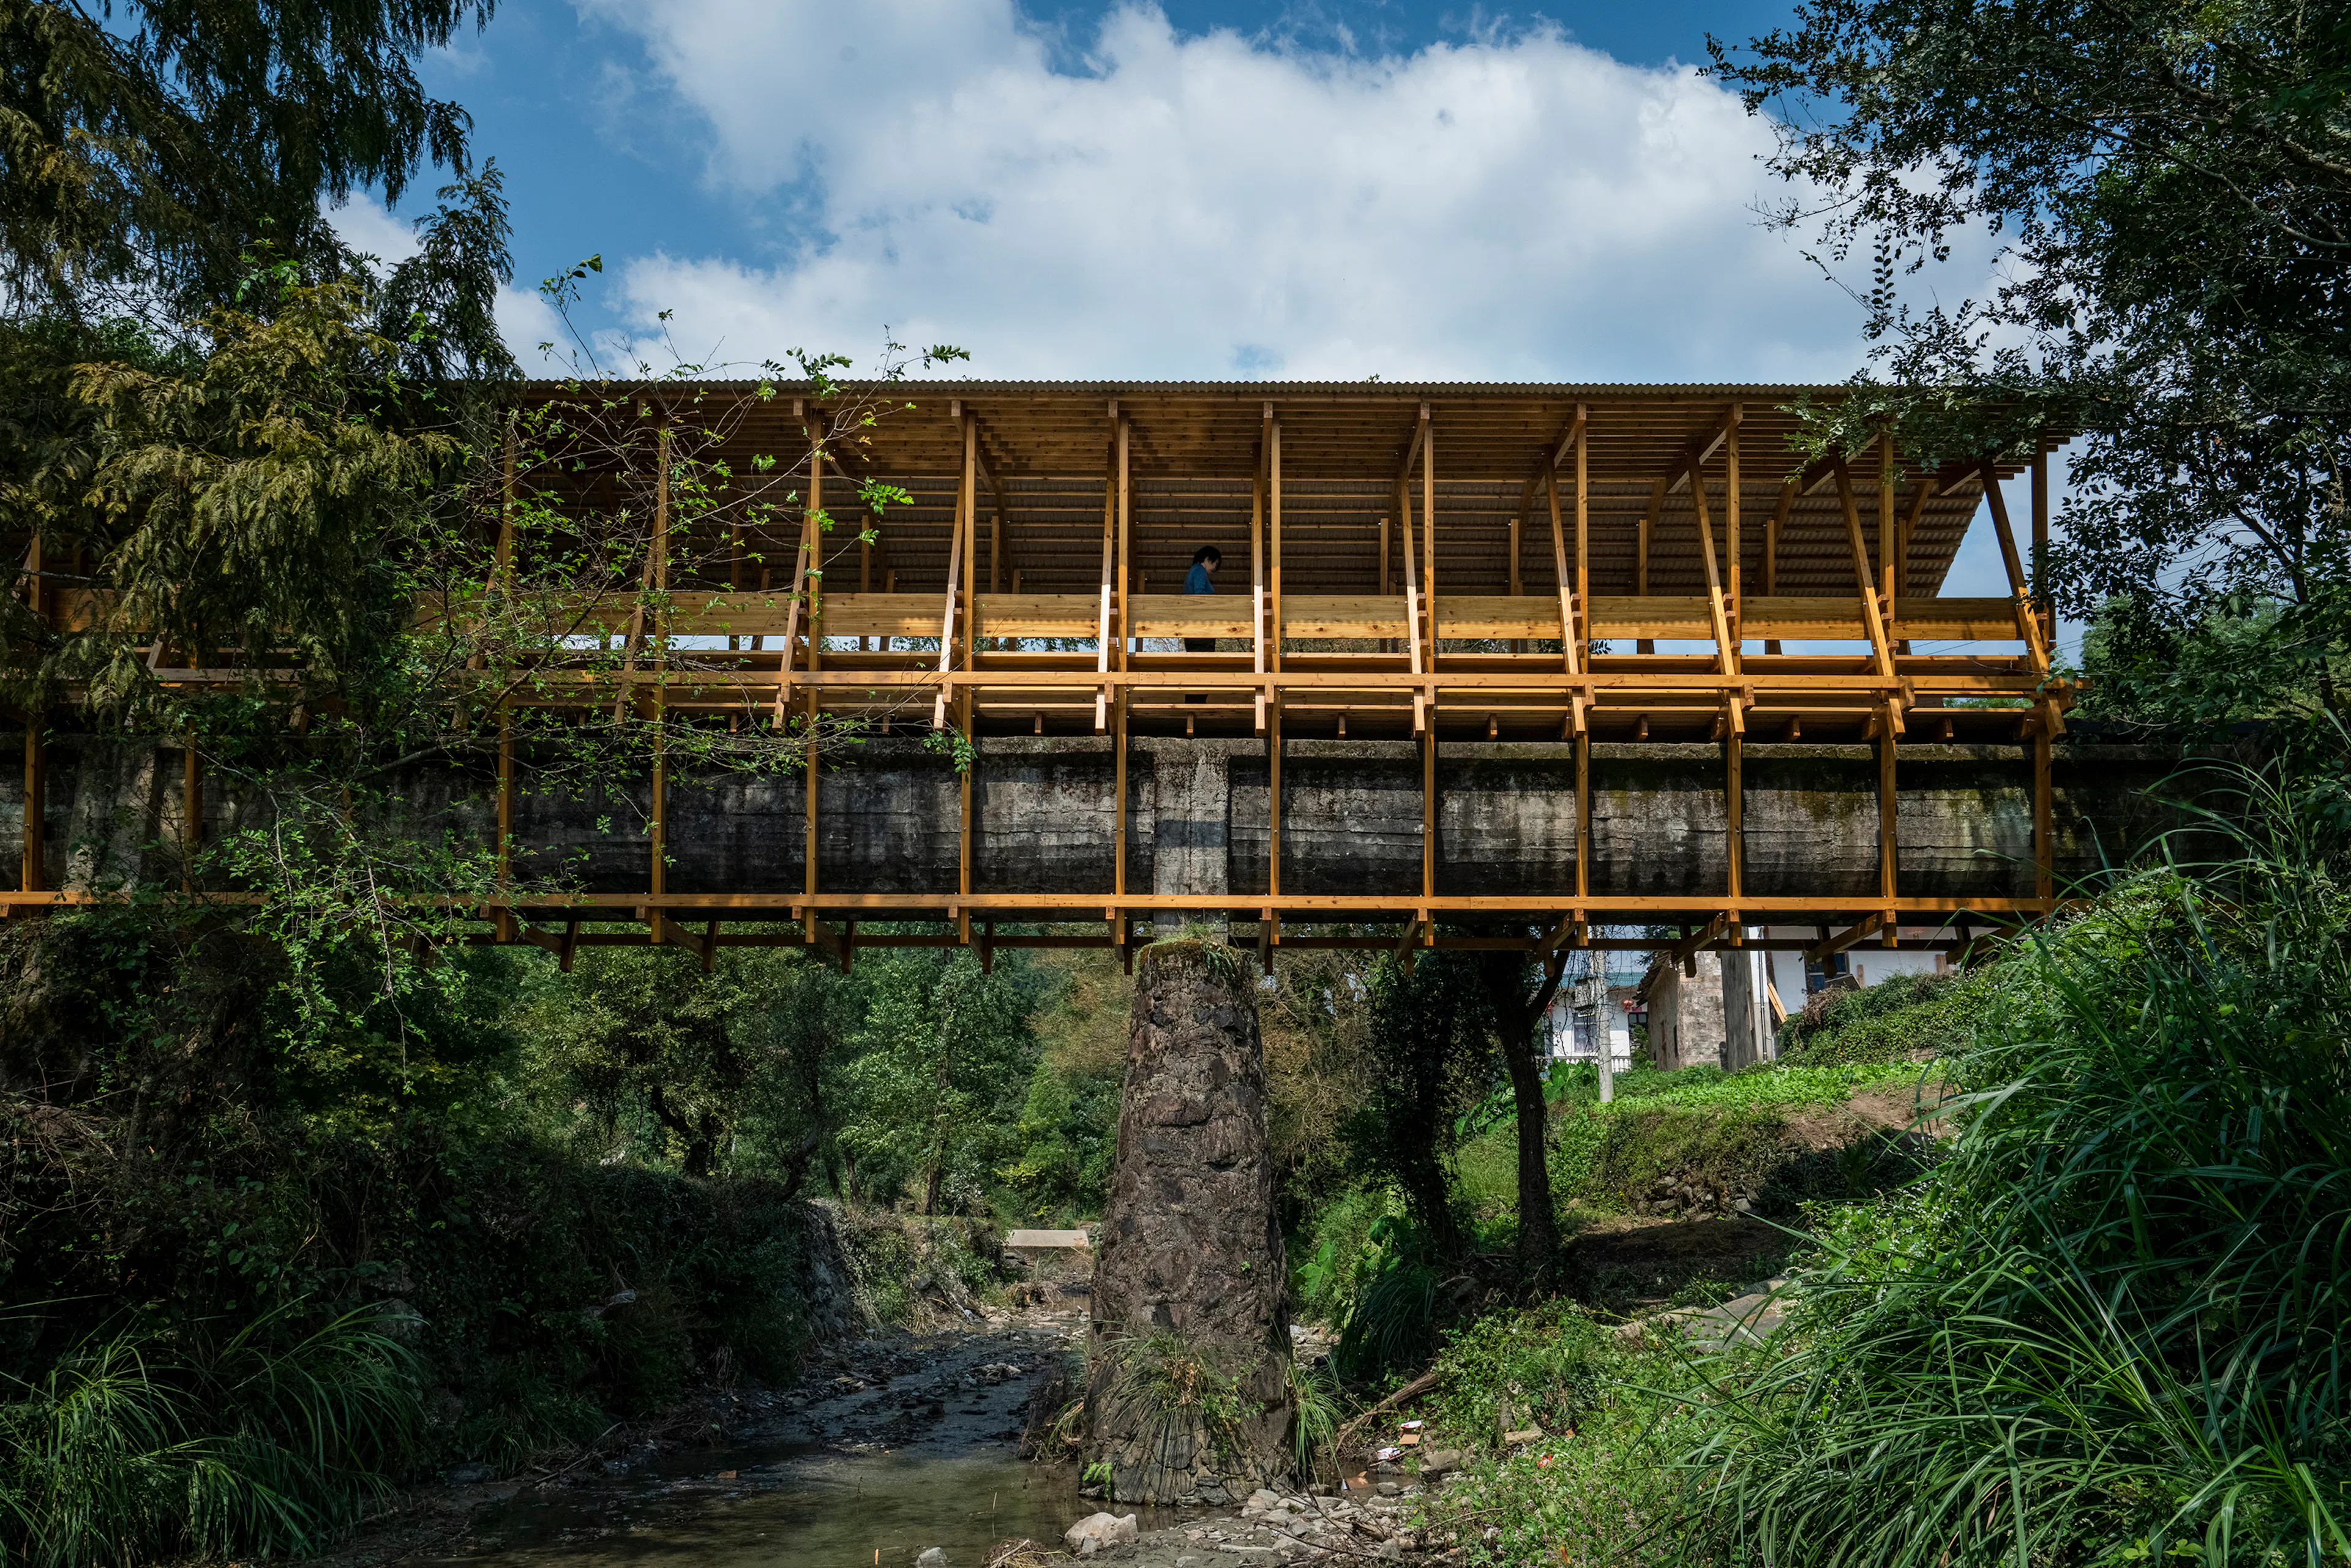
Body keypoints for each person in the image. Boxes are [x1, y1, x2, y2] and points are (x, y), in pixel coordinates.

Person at [1183, 544, 1221, 703]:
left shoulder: (1194, 572)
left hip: (1194, 626)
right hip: (1199, 626)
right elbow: (1199, 595)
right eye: (1215, 564)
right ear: (1207, 559)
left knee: (1196, 663)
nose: (1215, 568)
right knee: (1202, 663)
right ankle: (1196, 700)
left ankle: (1195, 699)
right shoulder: (1199, 570)